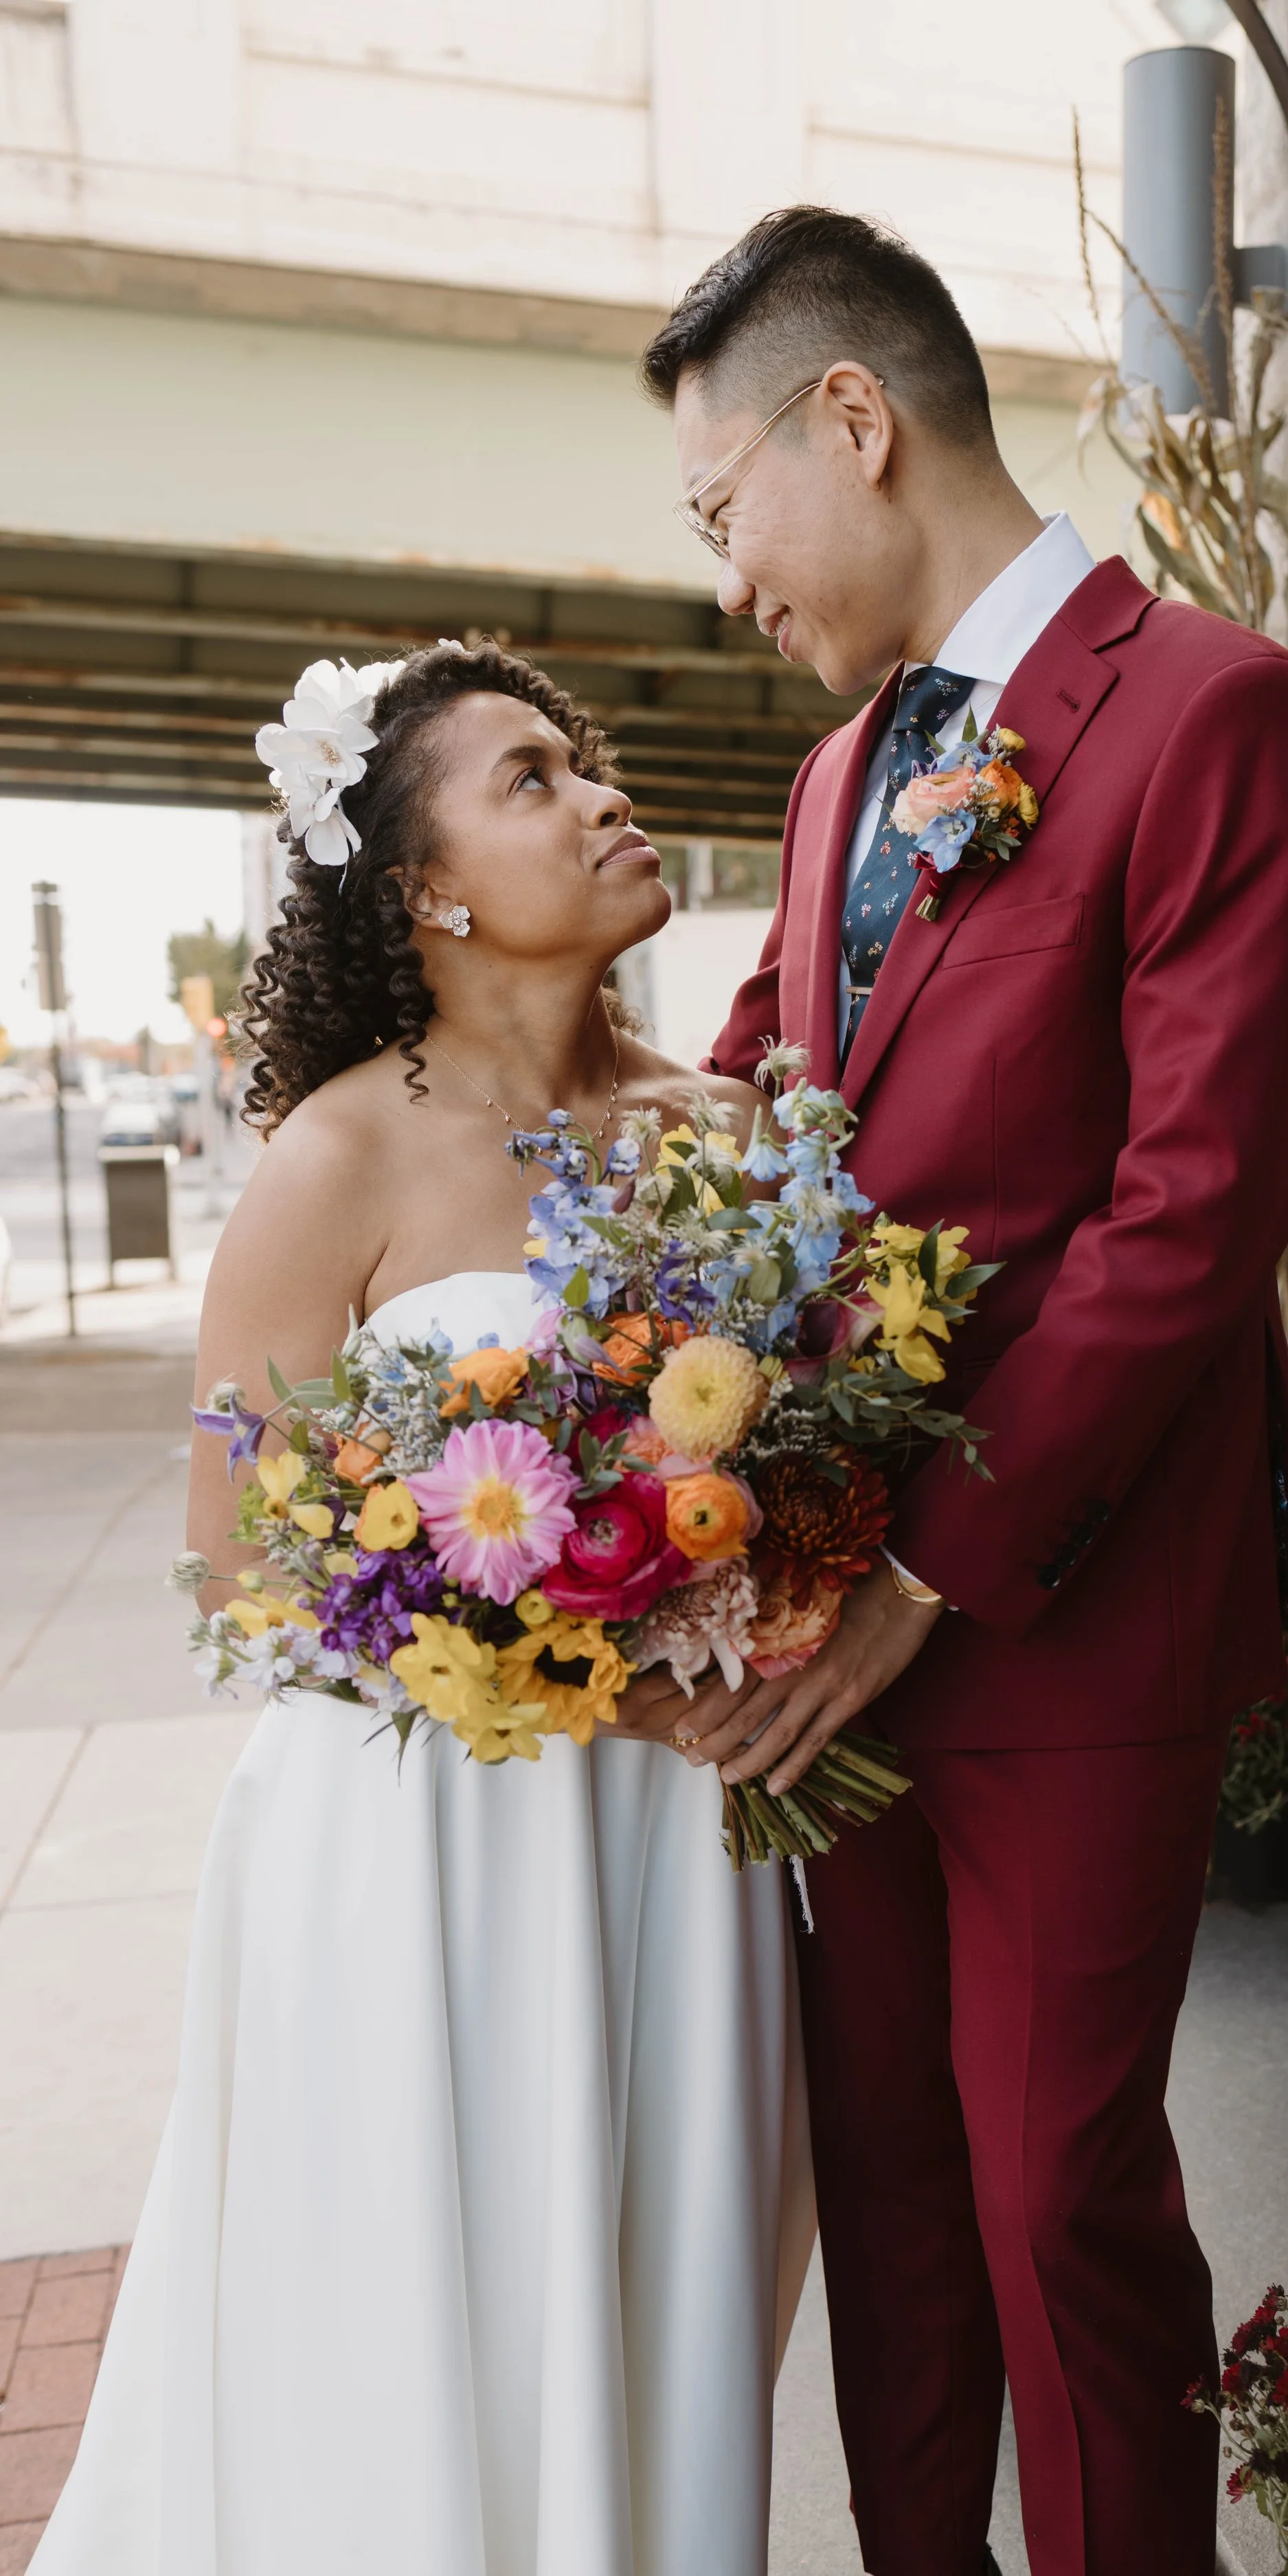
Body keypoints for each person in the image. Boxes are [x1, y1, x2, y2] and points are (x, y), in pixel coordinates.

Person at [641, 208, 1288, 2576]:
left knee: (1060, 2190)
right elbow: (781, 1090)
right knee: (890, 2182)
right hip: (832, 1627)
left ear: (849, 423)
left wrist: (929, 1578)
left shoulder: (1219, 714)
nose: (724, 577)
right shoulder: (840, 774)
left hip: (1065, 1609)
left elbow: (1185, 1222)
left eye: (717, 507)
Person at [32, 642, 814, 2576]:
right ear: (423, 887)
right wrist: (550, 1660)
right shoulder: (340, 1153)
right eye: (533, 776)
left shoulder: (726, 1132)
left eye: (591, 761)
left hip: (682, 1835)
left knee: (658, 2303)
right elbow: (239, 1557)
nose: (602, 794)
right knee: (408, 2340)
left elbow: (806, 1478)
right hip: (420, 1846)